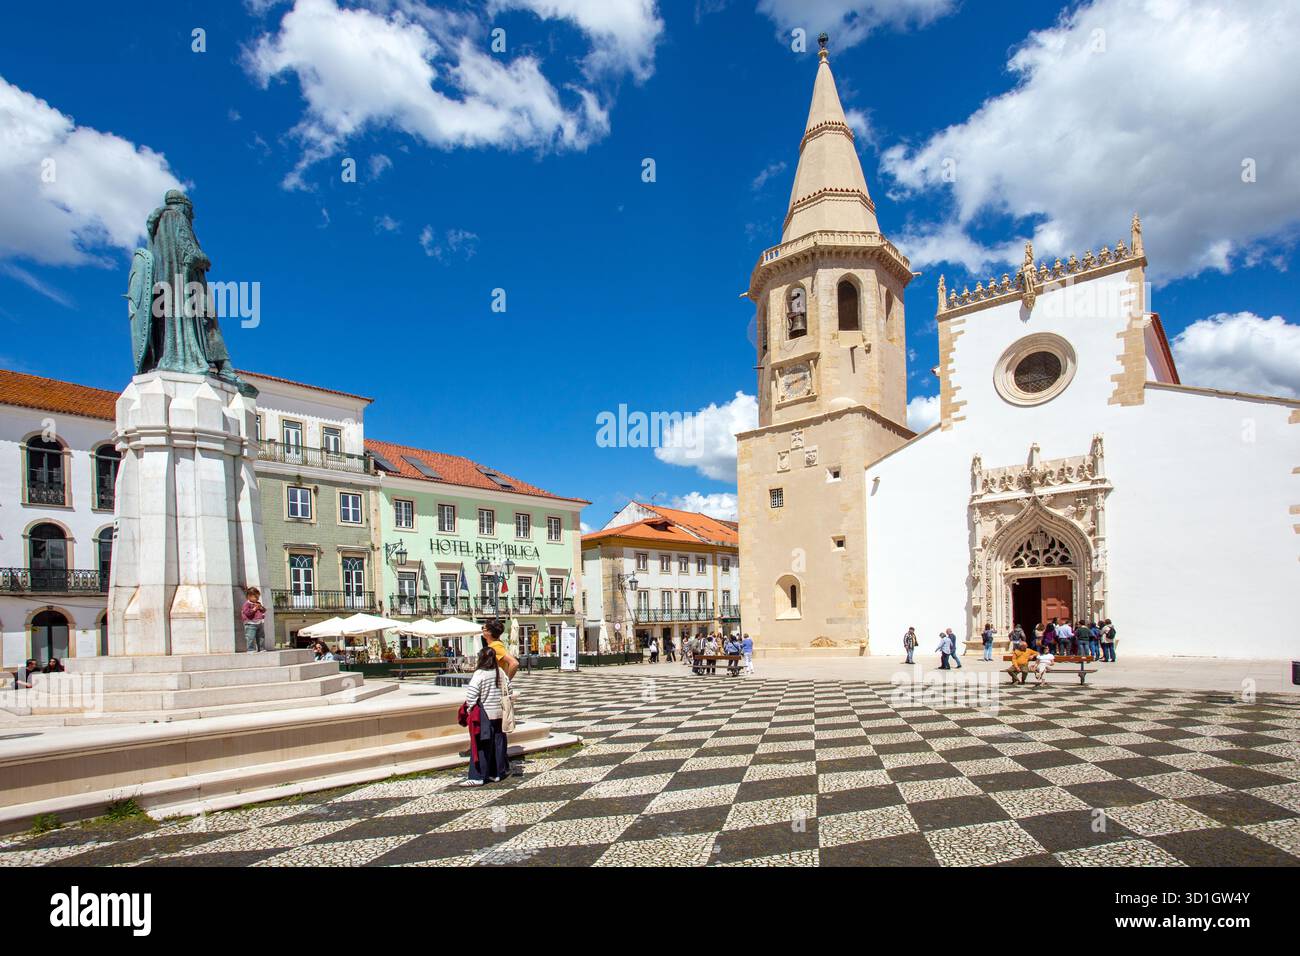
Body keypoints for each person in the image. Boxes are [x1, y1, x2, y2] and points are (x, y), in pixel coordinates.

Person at [460, 647, 512, 786]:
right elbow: (509, 689)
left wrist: (470, 709)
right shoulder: (500, 672)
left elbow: (471, 695)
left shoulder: (480, 674)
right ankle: (496, 773)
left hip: (485, 715)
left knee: (481, 745)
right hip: (500, 714)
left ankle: (478, 776)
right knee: (498, 744)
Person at [241, 586, 267, 653]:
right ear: (249, 596)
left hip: (259, 622)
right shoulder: (246, 604)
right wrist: (254, 609)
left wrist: (261, 608)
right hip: (250, 623)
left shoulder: (258, 603)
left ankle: (261, 648)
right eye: (255, 597)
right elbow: (247, 613)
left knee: (261, 636)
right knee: (250, 637)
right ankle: (250, 649)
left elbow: (264, 610)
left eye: (258, 597)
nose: (257, 599)